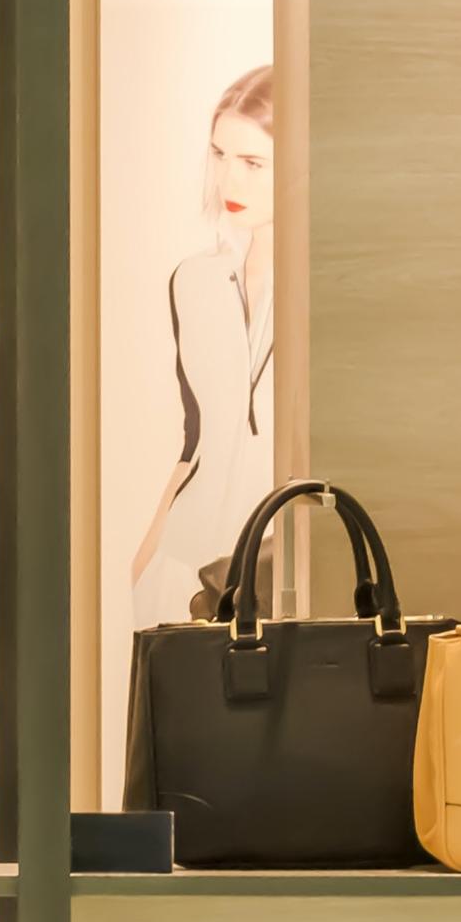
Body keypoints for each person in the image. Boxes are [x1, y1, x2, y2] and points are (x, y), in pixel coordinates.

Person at [131, 64, 277, 626]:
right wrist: (144, 560)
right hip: (185, 562)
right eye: (219, 156)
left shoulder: (324, 290)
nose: (228, 182)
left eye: (251, 163)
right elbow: (196, 436)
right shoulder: (193, 281)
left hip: (277, 567)